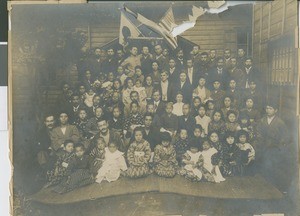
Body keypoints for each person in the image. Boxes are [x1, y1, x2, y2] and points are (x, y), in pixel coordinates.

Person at [35, 114, 56, 179]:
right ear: (45, 122)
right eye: (48, 121)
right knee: (41, 154)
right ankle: (46, 172)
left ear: (54, 121)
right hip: (48, 152)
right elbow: (39, 145)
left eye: (51, 121)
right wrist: (48, 148)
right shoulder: (41, 132)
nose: (50, 123)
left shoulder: (58, 130)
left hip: (59, 150)